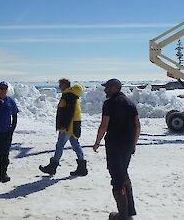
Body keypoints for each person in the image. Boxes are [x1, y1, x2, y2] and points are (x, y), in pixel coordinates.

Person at [93, 78, 141, 220]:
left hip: (114, 146)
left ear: (114, 87)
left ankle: (122, 215)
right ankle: (130, 211)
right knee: (124, 175)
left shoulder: (109, 103)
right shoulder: (130, 103)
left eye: (107, 87)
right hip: (127, 146)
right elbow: (137, 125)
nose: (105, 90)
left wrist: (97, 142)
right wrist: (134, 144)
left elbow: (104, 125)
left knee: (117, 180)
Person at [39, 78, 87, 177]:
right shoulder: (73, 95)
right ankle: (82, 167)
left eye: (60, 85)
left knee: (60, 145)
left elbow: (68, 113)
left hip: (68, 126)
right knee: (75, 145)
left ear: (66, 85)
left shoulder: (68, 96)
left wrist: (64, 126)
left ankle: (52, 167)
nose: (59, 87)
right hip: (73, 125)